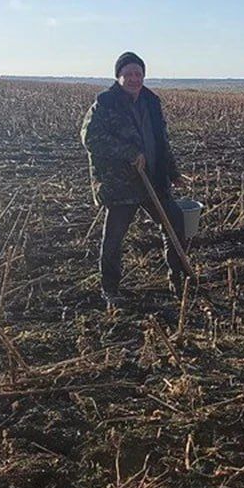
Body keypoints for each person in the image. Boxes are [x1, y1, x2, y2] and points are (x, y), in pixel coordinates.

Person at [80, 51, 188, 304]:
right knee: (114, 238)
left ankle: (177, 278)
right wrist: (129, 153)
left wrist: (172, 172)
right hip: (121, 183)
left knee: (174, 222)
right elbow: (90, 138)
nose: (133, 78)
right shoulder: (105, 103)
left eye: (138, 73)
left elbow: (161, 141)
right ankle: (110, 290)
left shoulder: (151, 102)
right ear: (118, 76)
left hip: (153, 179)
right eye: (128, 74)